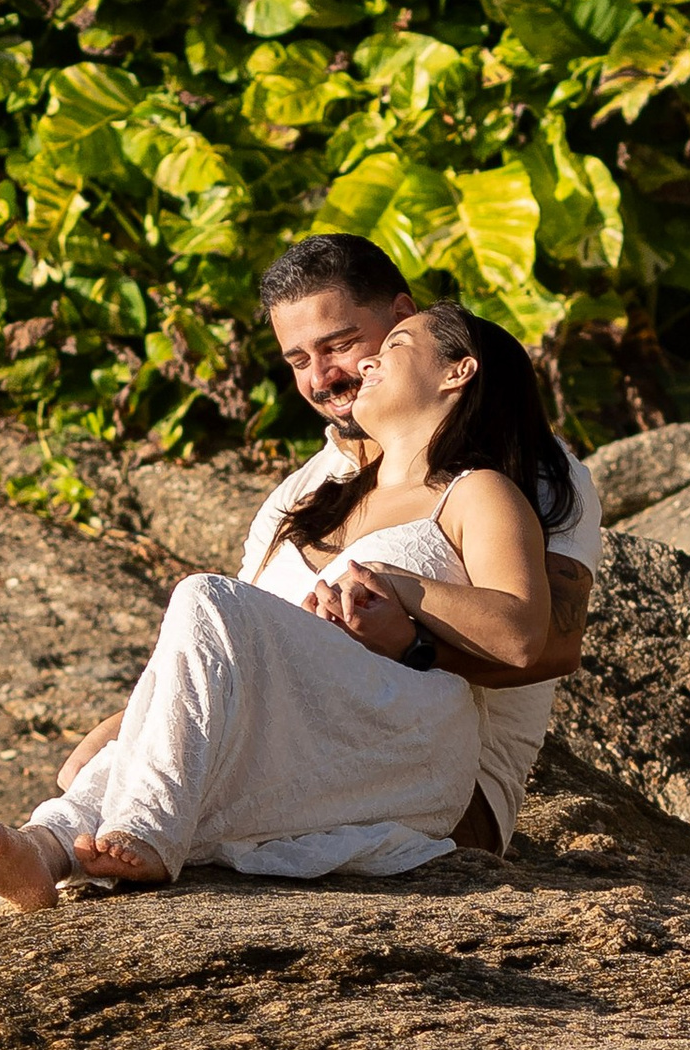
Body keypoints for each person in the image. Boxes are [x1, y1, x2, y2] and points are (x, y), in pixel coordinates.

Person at [0, 297, 573, 910]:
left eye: (396, 346)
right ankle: (43, 850)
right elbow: (231, 652)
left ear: (459, 371)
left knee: (205, 596)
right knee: (194, 655)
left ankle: (146, 828)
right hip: (308, 725)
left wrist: (403, 592)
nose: (369, 365)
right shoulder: (323, 491)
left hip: (406, 735)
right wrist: (130, 722)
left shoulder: (477, 491)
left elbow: (523, 634)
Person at [241, 232, 602, 854]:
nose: (321, 379)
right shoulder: (298, 494)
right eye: (298, 360)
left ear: (403, 320)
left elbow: (551, 645)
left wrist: (410, 647)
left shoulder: (528, 469)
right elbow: (241, 649)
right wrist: (131, 726)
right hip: (283, 749)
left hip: (437, 787)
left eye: (339, 345)